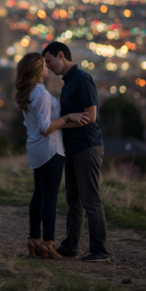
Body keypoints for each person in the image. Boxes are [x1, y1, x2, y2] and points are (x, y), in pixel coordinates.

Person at [15, 53, 90, 259]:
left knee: (39, 194)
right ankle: (48, 243)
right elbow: (46, 127)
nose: (48, 66)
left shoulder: (28, 93)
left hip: (36, 150)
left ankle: (34, 238)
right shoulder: (40, 94)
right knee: (49, 197)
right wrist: (69, 117)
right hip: (50, 150)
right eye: (44, 64)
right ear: (38, 71)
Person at [41, 41, 111, 263]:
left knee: (91, 199)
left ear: (61, 55)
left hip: (87, 147)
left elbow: (91, 116)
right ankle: (71, 247)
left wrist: (60, 122)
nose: (48, 66)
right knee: (75, 200)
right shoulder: (68, 83)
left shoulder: (82, 79)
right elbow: (75, 116)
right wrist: (67, 120)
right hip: (73, 149)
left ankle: (100, 250)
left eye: (49, 61)